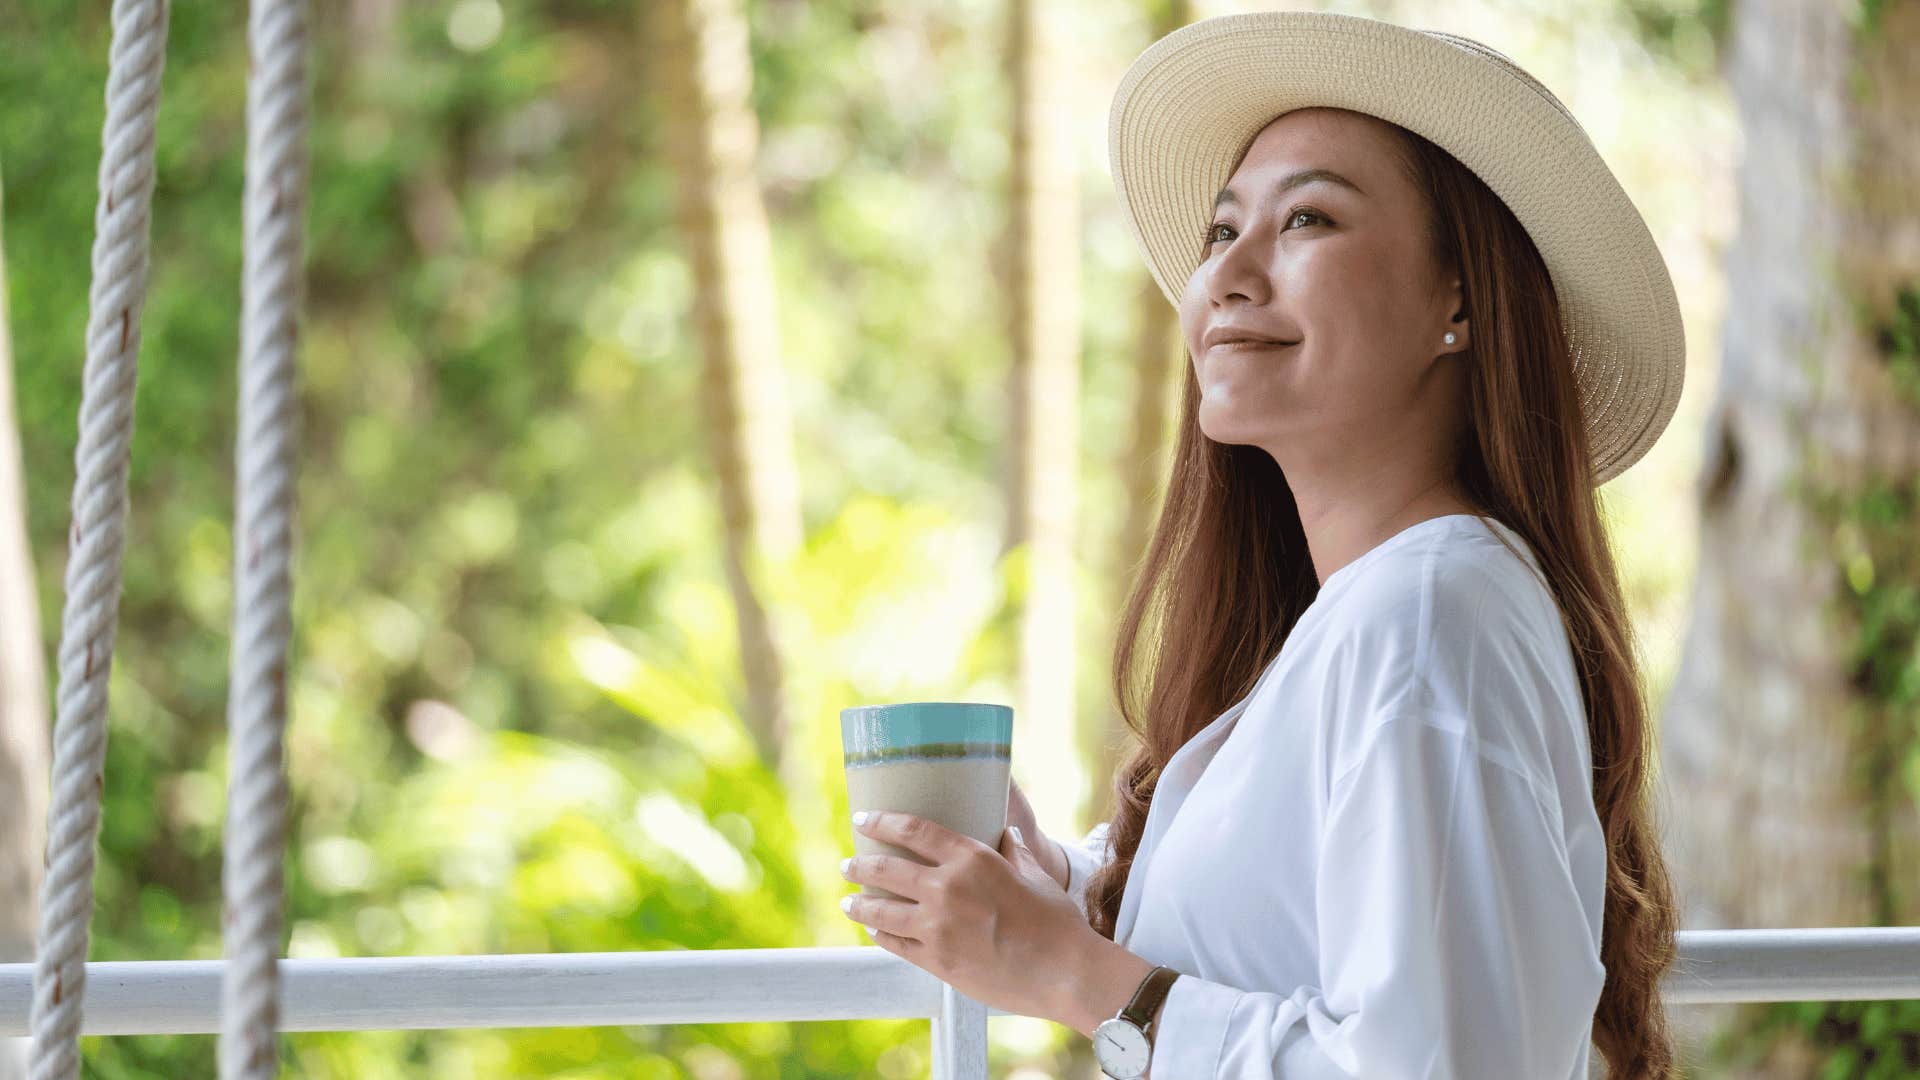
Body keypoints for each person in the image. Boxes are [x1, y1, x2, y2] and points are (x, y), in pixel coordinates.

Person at [1013, 10, 1686, 1079]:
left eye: (1309, 220)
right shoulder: (1370, 618)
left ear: (1456, 298)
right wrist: (1061, 882)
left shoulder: (1427, 616)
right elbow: (1298, 941)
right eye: (1222, 232)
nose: (1229, 277)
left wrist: (1065, 974)